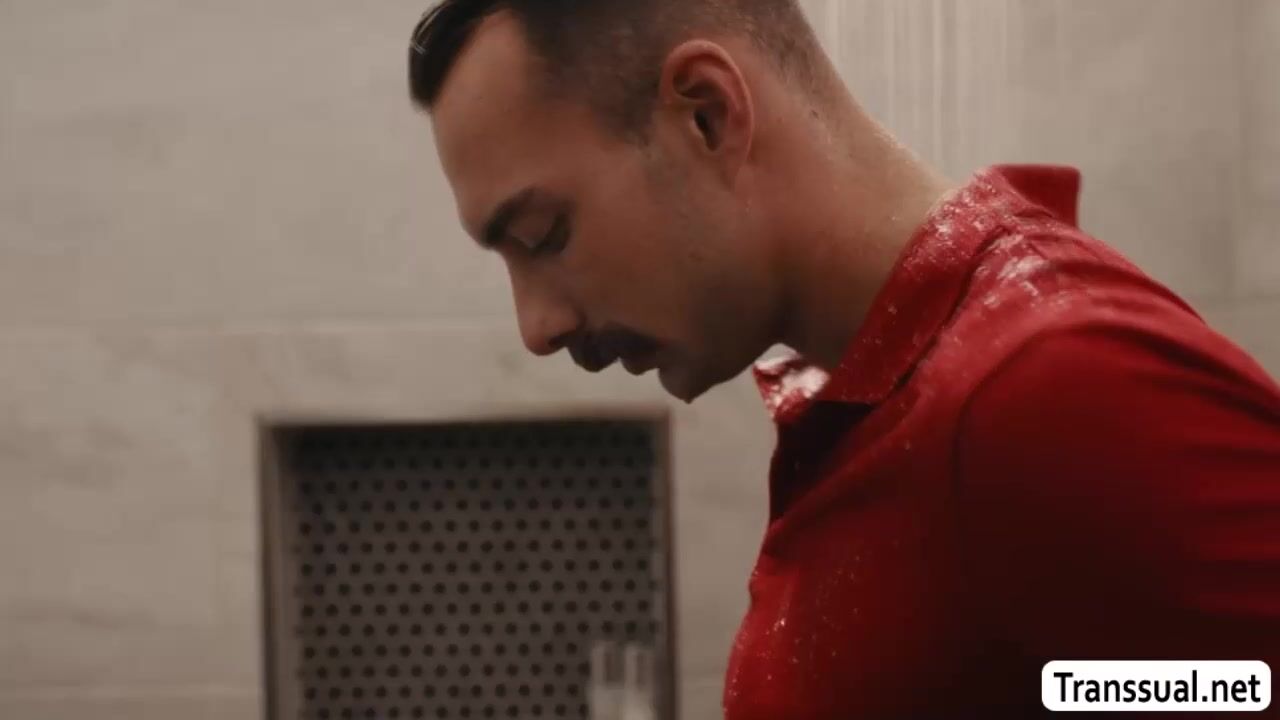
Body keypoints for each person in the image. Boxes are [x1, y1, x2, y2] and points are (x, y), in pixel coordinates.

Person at [406, 1, 1280, 716]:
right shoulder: (887, 394)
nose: (536, 327)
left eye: (543, 235)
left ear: (707, 114)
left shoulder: (1047, 387)